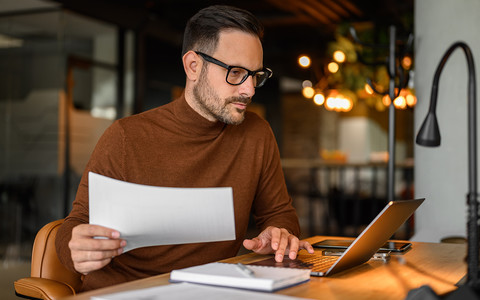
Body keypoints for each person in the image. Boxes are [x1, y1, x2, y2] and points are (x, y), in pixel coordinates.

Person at [56, 4, 314, 291]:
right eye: (236, 72)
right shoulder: (126, 136)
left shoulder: (256, 134)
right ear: (193, 65)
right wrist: (77, 249)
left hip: (213, 290)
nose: (249, 89)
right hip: (126, 292)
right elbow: (74, 224)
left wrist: (278, 232)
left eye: (255, 75)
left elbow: (280, 213)